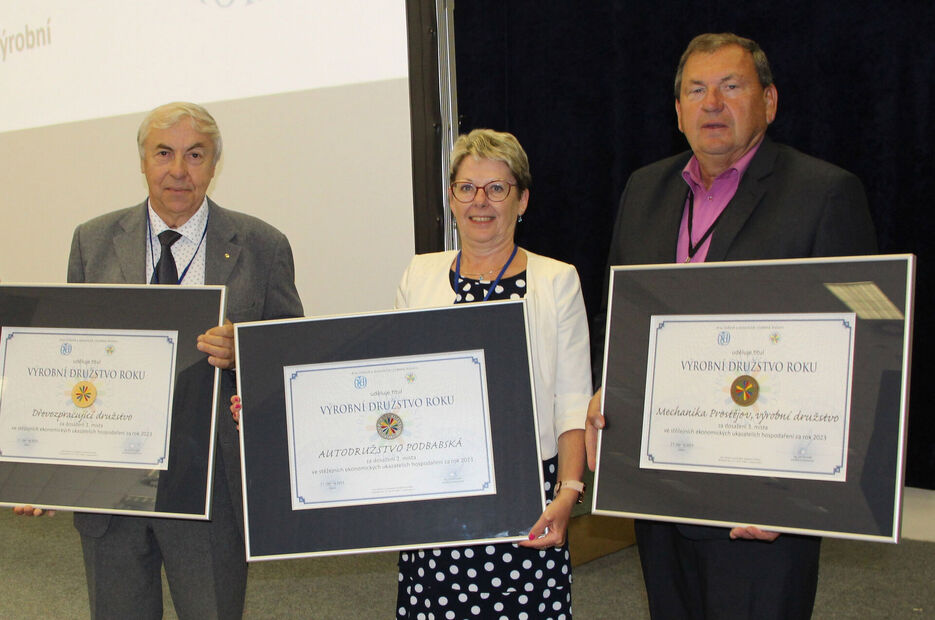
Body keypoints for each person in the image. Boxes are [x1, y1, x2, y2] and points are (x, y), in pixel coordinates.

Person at [585, 33, 877, 619]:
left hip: (763, 502)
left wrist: (800, 499)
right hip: (660, 483)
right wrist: (605, 390)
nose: (712, 103)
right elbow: (619, 318)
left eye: (731, 86)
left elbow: (863, 350)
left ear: (769, 102)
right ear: (677, 111)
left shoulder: (824, 194)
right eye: (696, 90)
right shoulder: (644, 190)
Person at [16, 101, 303, 619]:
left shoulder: (262, 245)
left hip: (212, 485)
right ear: (143, 162)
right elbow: (70, 359)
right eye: (163, 153)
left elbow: (291, 362)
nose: (178, 170)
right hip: (110, 485)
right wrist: (43, 466)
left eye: (195, 155)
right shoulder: (94, 240)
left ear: (215, 165)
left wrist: (247, 351)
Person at [391, 128, 592, 619]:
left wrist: (568, 493)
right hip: (438, 491)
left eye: (497, 189)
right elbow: (393, 385)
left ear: (521, 200)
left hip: (527, 496)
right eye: (467, 188)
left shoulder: (556, 280)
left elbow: (572, 402)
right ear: (452, 199)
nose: (481, 202)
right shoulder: (419, 276)